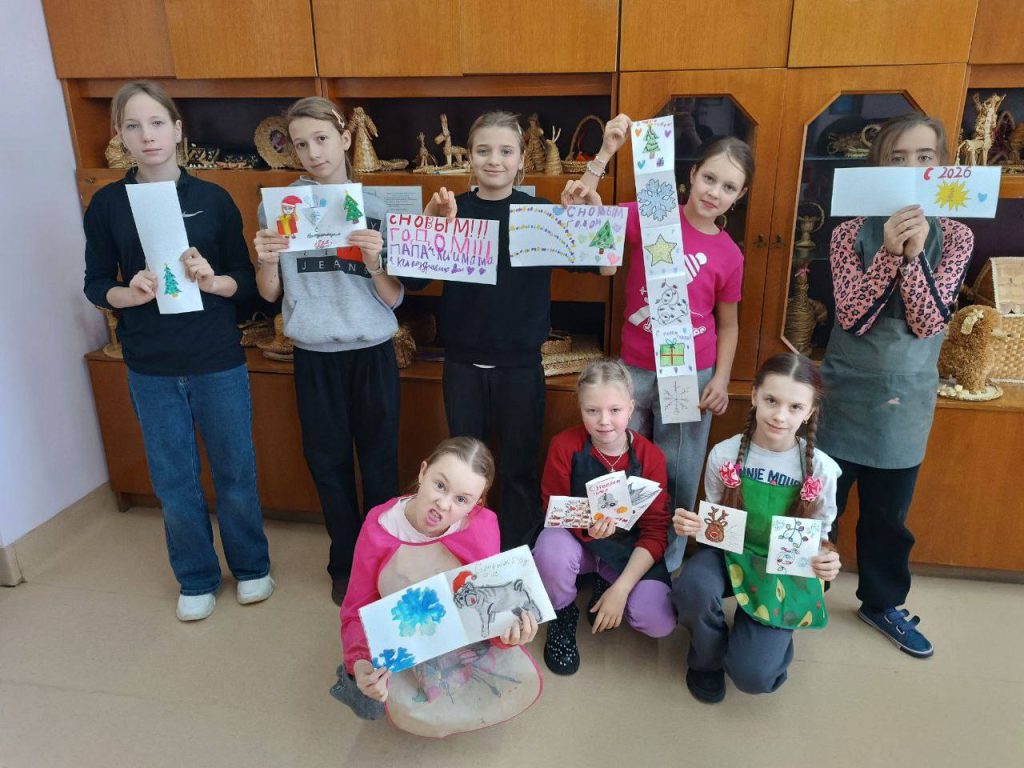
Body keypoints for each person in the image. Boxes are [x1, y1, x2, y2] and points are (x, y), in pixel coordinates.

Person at [83, 81, 272, 621]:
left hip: (217, 358)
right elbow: (96, 283)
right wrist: (130, 292)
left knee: (236, 471)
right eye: (133, 126)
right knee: (173, 480)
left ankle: (252, 566)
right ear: (120, 135)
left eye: (157, 123)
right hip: (152, 365)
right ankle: (195, 577)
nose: (148, 136)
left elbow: (246, 284)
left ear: (177, 129)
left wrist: (212, 280)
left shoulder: (212, 199)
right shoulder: (108, 204)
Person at [566, 114, 753, 571]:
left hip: (689, 374)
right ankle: (616, 558)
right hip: (633, 370)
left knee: (677, 471)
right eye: (709, 178)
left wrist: (722, 379)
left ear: (740, 195)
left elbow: (728, 324)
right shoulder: (651, 215)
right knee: (619, 465)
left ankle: (665, 566)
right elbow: (583, 221)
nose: (714, 192)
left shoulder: (729, 254)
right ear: (692, 173)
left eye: (728, 187)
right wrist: (604, 155)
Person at [818, 113, 974, 658]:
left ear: (942, 165)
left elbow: (930, 321)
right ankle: (803, 586)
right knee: (821, 501)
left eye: (924, 158)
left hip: (906, 396)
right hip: (845, 390)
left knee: (888, 515)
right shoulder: (848, 232)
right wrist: (886, 251)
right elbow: (852, 315)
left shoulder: (956, 235)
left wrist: (913, 255)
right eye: (898, 158)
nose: (912, 169)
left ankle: (882, 603)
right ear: (880, 165)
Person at [424, 111, 615, 550]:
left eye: (505, 151)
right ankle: (468, 549)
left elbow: (605, 265)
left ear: (520, 159)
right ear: (469, 157)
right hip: (462, 365)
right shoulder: (453, 209)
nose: (494, 160)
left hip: (521, 368)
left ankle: (517, 555)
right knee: (463, 470)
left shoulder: (539, 215)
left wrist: (594, 212)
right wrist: (432, 220)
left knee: (518, 469)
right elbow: (410, 279)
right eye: (483, 150)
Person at [254, 97, 416, 606]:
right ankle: (344, 562)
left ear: (345, 138)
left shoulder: (379, 208)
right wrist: (265, 258)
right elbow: (269, 294)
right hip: (314, 353)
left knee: (380, 463)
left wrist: (374, 263)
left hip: (373, 351)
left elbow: (394, 298)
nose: (313, 152)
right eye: (301, 144)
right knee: (327, 464)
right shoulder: (277, 206)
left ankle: (383, 560)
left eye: (322, 139)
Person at [332, 437, 542, 737]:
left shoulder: (482, 526)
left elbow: (488, 606)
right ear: (422, 472)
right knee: (369, 701)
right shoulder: (380, 528)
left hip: (457, 631)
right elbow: (356, 609)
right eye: (440, 485)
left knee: (476, 688)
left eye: (462, 500)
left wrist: (509, 635)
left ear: (477, 504)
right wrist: (361, 661)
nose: (443, 504)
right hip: (399, 635)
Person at [672, 352, 842, 702]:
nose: (780, 416)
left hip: (783, 568)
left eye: (795, 407)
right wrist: (694, 524)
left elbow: (821, 537)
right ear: (754, 396)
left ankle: (764, 636)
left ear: (810, 411)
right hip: (729, 555)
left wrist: (828, 560)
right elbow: (716, 522)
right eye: (771, 400)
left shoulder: (822, 469)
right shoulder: (724, 454)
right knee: (692, 587)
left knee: (754, 676)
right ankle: (706, 657)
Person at [533, 359, 675, 675]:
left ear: (631, 408)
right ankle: (562, 613)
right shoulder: (564, 446)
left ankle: (607, 581)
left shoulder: (651, 457)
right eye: (592, 411)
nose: (604, 421)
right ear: (580, 409)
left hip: (627, 549)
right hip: (577, 543)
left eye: (615, 410)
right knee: (550, 549)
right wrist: (587, 527)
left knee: (658, 621)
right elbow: (553, 508)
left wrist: (622, 589)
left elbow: (655, 532)